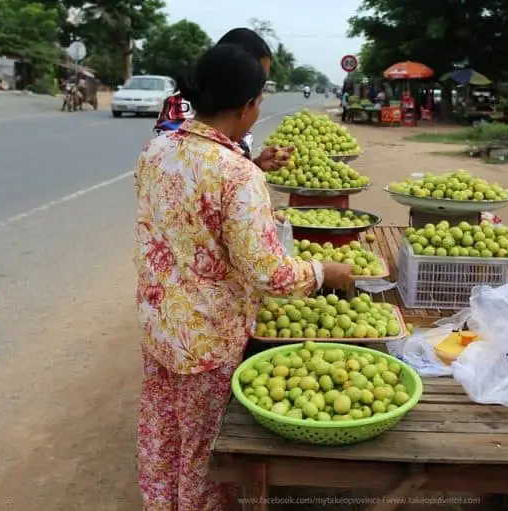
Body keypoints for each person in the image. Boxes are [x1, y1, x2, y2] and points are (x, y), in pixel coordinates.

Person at [134, 43, 353, 510]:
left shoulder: (157, 149)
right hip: (207, 339)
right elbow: (269, 273)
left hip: (160, 323)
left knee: (162, 430)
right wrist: (323, 271)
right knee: (204, 452)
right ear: (248, 105)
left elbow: (189, 215)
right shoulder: (237, 174)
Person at [153, 28, 288, 167]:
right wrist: (245, 176)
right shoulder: (181, 105)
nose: (258, 90)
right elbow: (182, 168)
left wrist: (256, 166)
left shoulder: (240, 107)